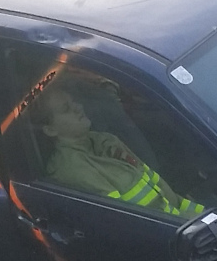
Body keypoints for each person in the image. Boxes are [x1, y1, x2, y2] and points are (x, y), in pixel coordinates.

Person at [31, 85, 202, 218]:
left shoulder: (104, 140)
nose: (78, 107)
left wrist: (202, 214)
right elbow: (128, 221)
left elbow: (161, 187)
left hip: (183, 221)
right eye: (66, 109)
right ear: (50, 129)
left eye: (73, 101)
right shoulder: (72, 169)